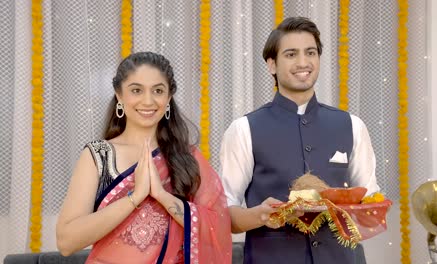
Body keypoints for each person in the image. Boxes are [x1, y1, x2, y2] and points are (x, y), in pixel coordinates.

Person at [220, 17, 380, 263]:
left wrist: (348, 207)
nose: (303, 62)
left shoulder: (353, 126)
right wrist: (261, 215)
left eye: (311, 53)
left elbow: (370, 206)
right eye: (291, 54)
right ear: (272, 64)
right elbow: (224, 216)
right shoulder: (243, 129)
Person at [56, 52, 232, 263]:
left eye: (158, 91)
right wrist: (135, 196)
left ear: (168, 98)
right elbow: (67, 242)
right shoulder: (99, 155)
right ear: (119, 95)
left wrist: (161, 195)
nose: (148, 101)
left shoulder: (187, 158)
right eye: (136, 90)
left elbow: (218, 226)